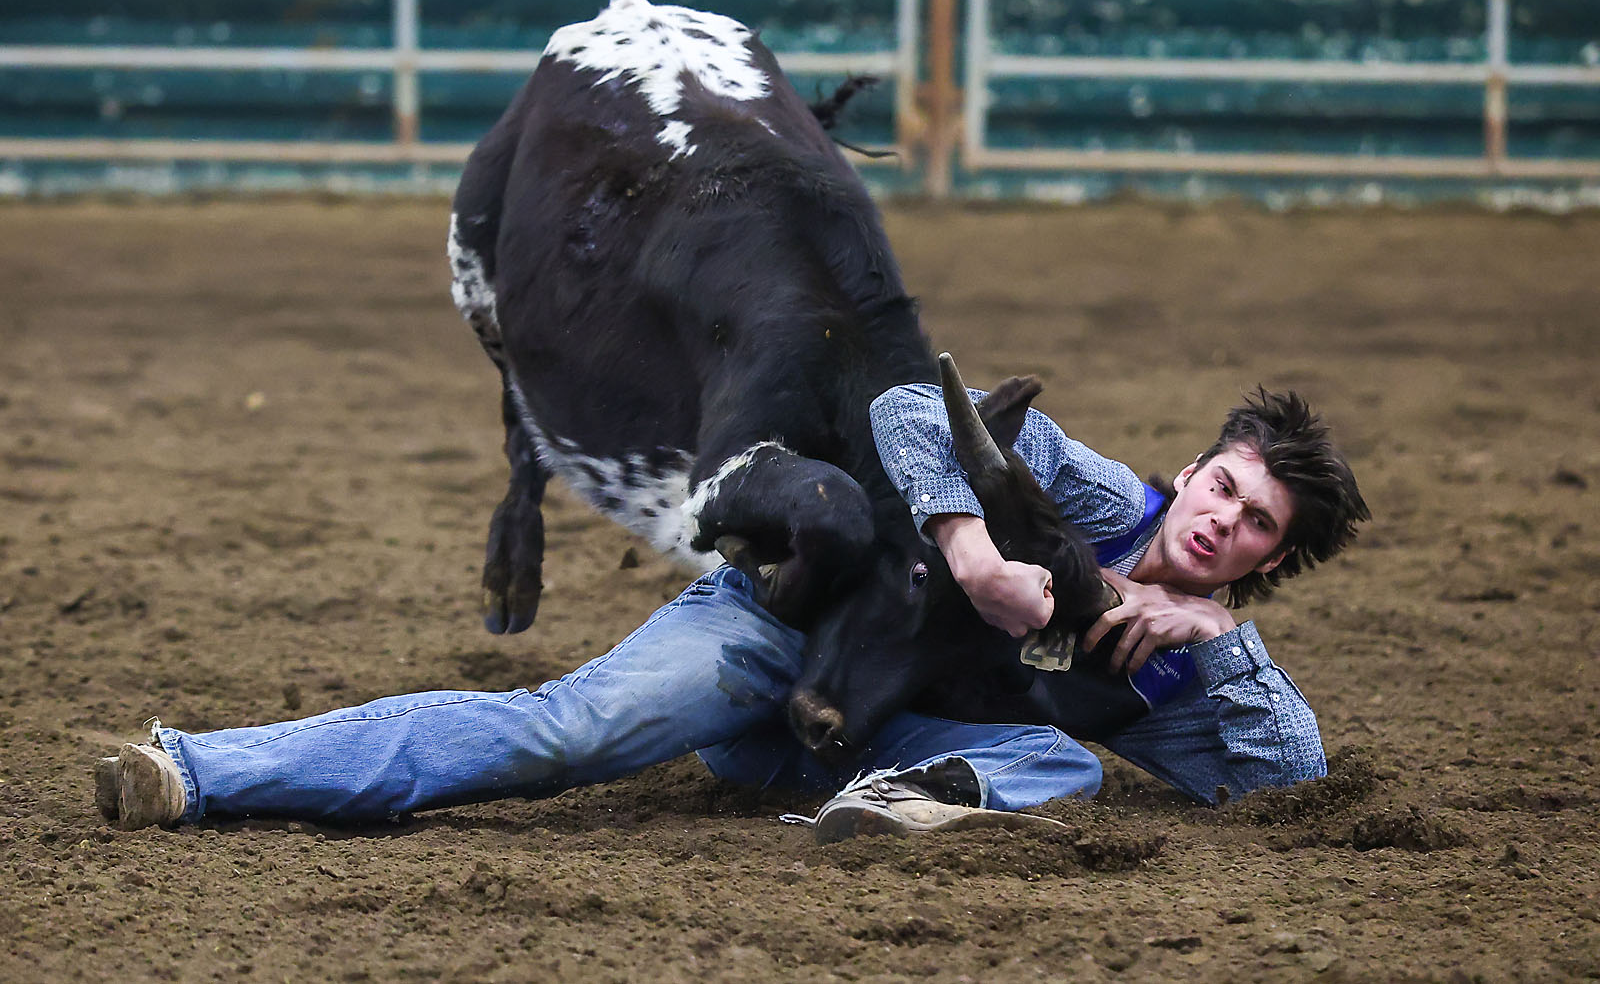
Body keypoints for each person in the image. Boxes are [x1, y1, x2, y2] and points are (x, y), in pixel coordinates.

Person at [96, 384, 1367, 842]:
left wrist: (1221, 641)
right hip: (779, 637)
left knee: (1063, 765)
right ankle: (196, 769)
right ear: (1192, 470)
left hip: (858, 740)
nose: (1222, 520)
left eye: (1257, 524)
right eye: (1223, 486)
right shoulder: (1086, 489)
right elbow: (908, 406)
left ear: (1269, 560)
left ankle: (897, 805)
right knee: (566, 731)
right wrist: (975, 551)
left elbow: (1289, 783)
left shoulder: (1187, 663)